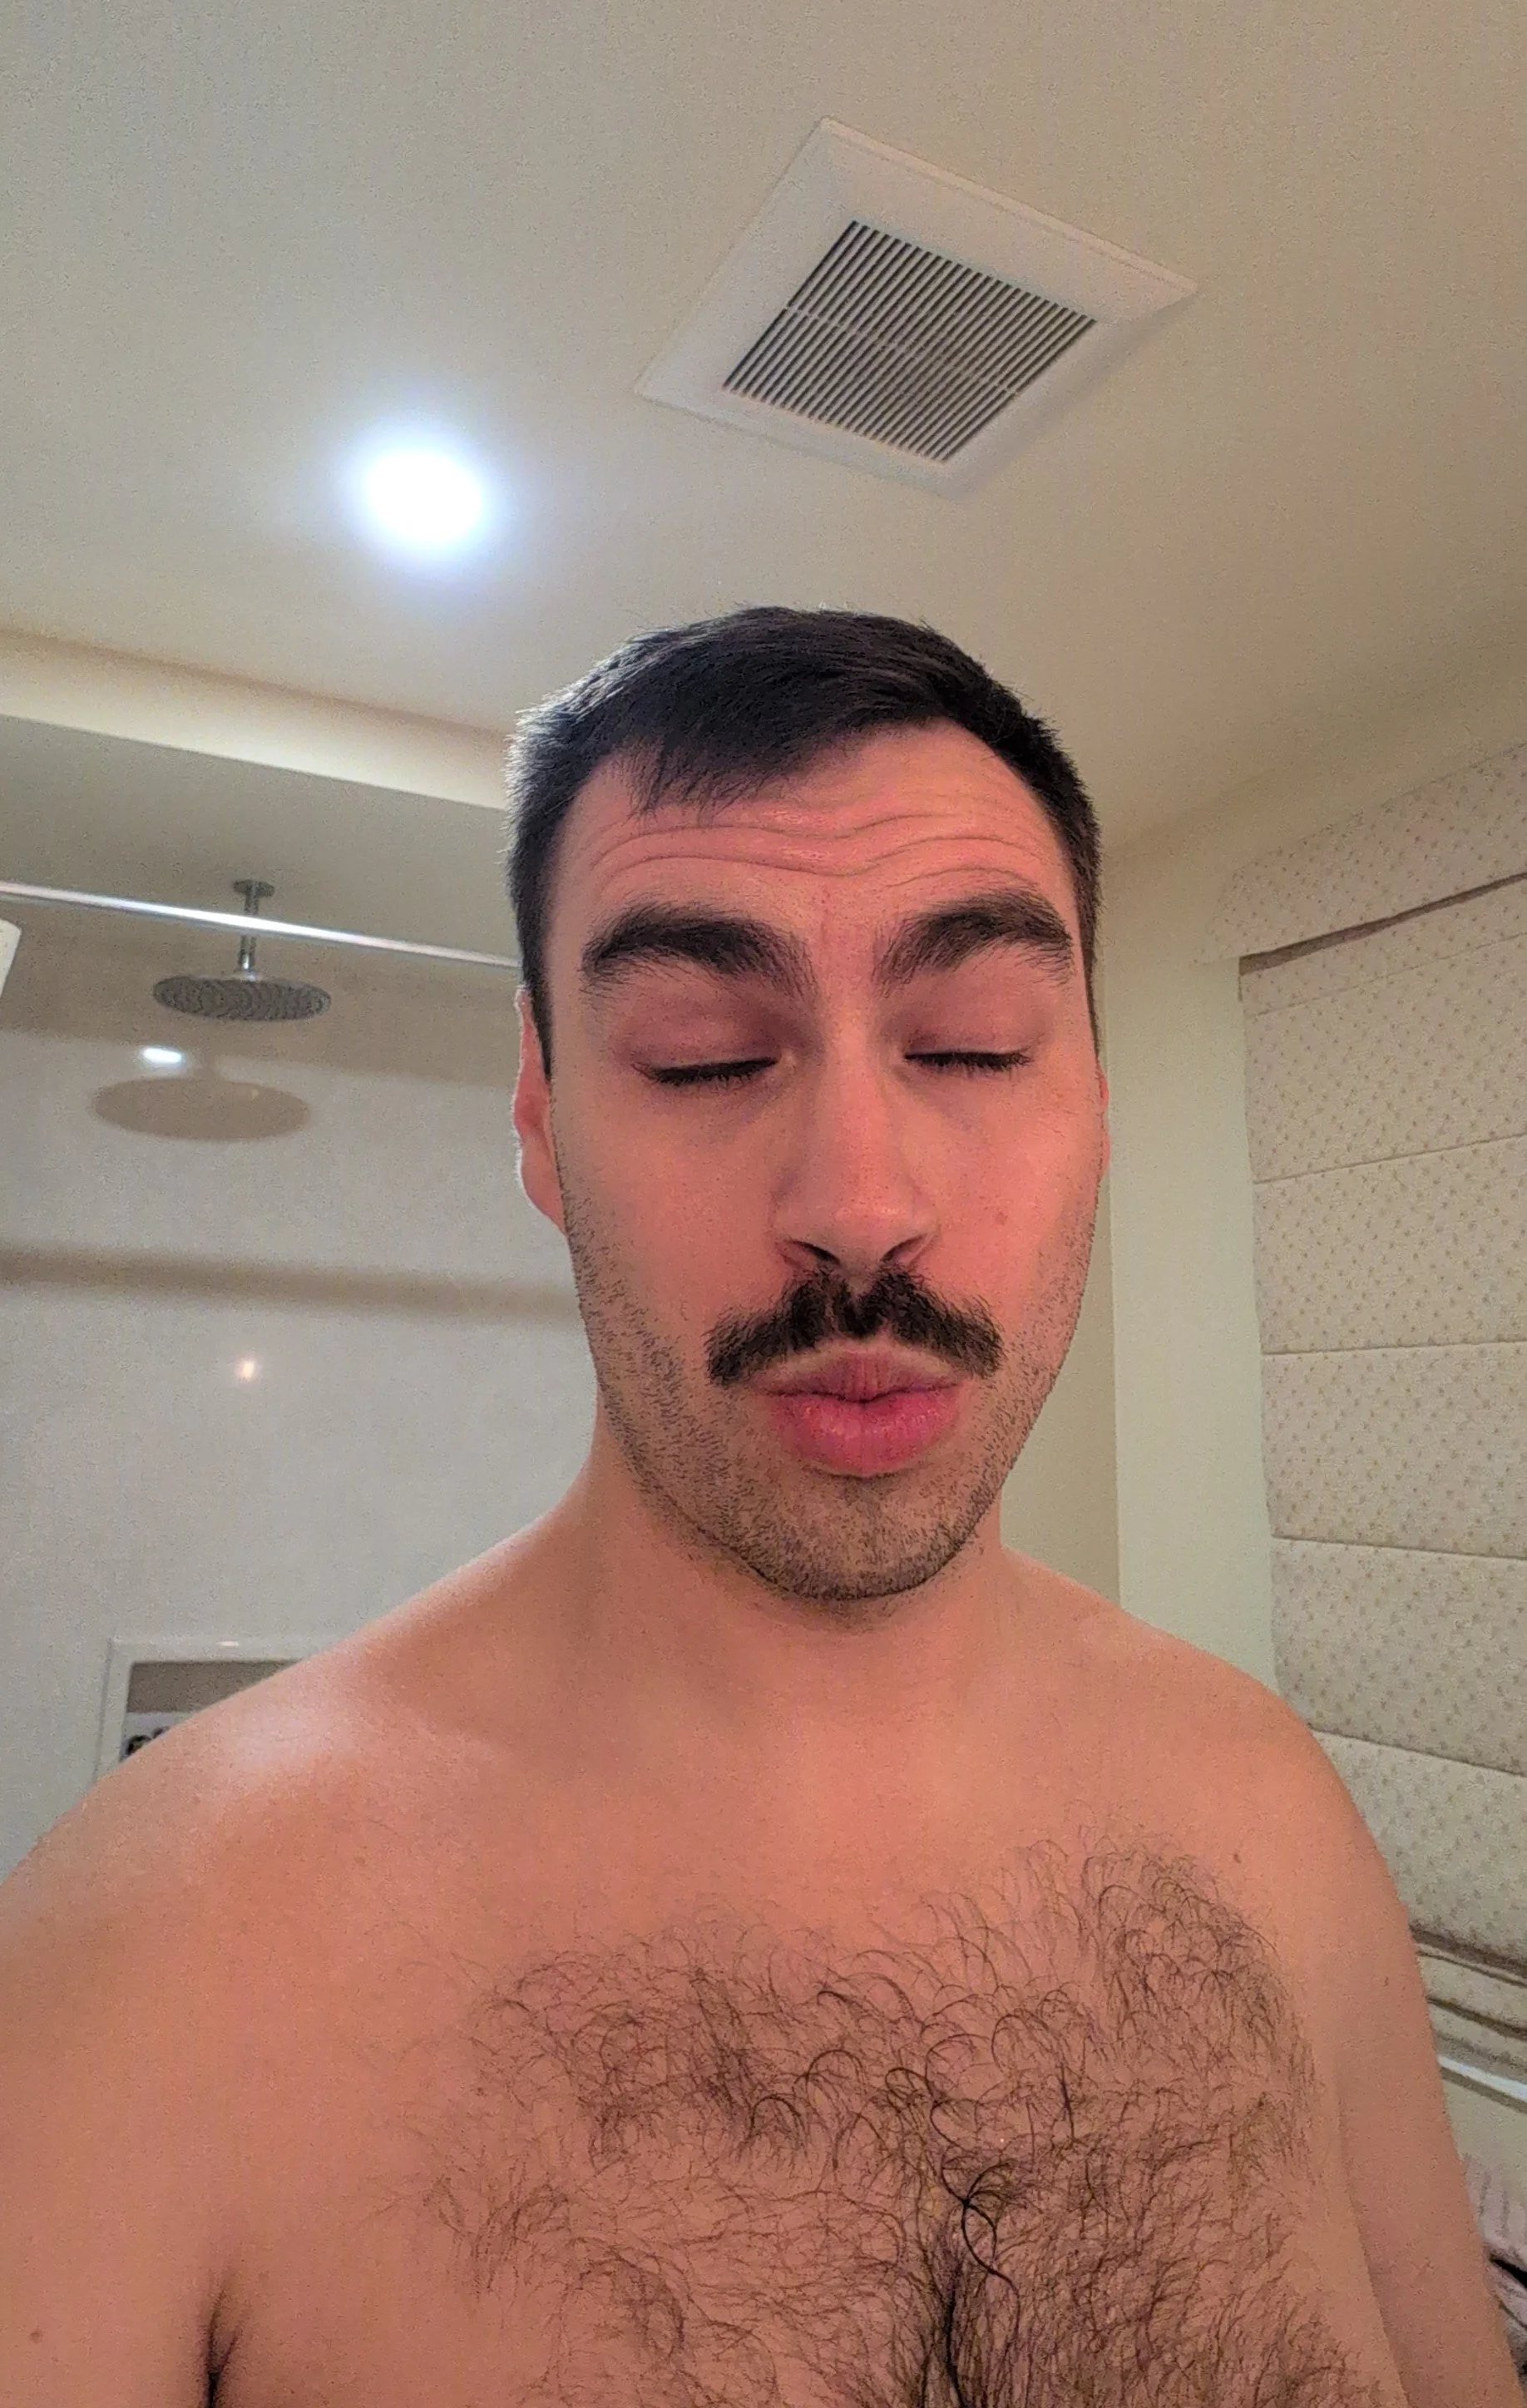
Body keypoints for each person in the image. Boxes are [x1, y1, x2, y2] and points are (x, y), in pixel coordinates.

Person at [0, 609, 1515, 2407]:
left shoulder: (1273, 1819)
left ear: (1097, 1105)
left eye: (972, 1046)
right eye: (707, 1056)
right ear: (541, 1117)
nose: (861, 1206)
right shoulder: (152, 1960)